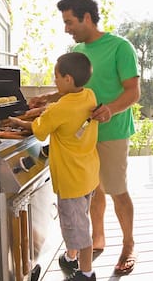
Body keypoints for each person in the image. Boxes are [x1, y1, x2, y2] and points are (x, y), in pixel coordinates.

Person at [28, 0, 140, 275]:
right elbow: (72, 89)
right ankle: (97, 239)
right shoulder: (80, 54)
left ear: (86, 17)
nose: (66, 28)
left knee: (117, 191)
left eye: (69, 22)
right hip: (82, 138)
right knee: (92, 191)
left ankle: (128, 244)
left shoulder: (119, 47)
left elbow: (133, 91)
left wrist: (110, 110)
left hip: (111, 131)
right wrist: (47, 97)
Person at [10, 52, 99, 281]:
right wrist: (44, 109)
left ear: (68, 79)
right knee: (79, 220)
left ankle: (86, 273)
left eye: (57, 77)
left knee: (78, 231)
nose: (55, 81)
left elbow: (38, 130)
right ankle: (70, 258)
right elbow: (64, 107)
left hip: (71, 181)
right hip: (88, 175)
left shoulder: (60, 110)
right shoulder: (88, 95)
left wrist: (17, 121)